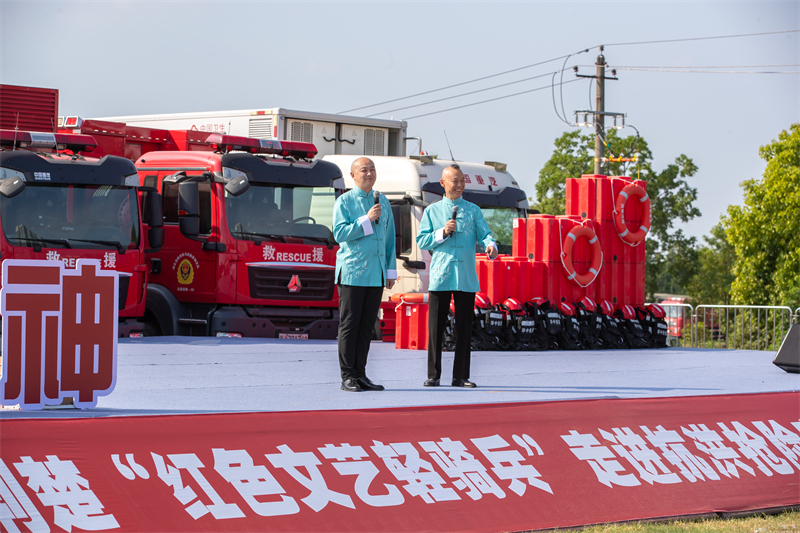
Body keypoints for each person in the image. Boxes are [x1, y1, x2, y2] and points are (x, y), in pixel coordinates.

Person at [417, 164, 498, 388]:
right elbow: (422, 240)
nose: (460, 185)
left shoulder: (473, 210)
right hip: (441, 275)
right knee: (436, 328)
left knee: (464, 327)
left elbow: (486, 235)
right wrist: (442, 231)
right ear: (443, 183)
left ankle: (460, 376)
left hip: (465, 276)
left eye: (462, 180)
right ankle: (433, 375)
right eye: (455, 181)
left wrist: (491, 246)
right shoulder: (432, 211)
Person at [333, 157, 397, 392]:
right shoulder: (344, 201)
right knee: (350, 324)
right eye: (363, 170)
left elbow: (390, 239)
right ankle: (347, 375)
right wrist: (366, 220)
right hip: (353, 271)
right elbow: (339, 233)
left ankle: (361, 374)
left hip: (376, 273)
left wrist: (390, 270)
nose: (369, 174)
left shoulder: (384, 202)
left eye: (372, 169)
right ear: (353, 175)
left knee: (367, 325)